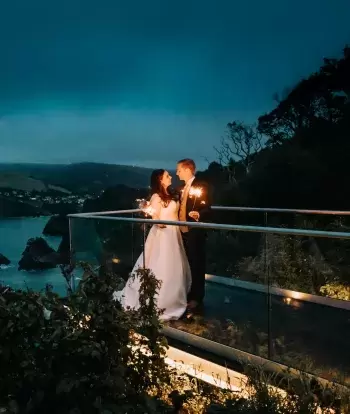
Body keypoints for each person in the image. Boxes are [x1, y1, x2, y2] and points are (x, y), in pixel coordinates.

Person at [114, 169, 191, 321]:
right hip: (162, 235)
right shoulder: (156, 197)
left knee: (174, 265)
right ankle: (161, 301)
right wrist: (159, 222)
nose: (170, 177)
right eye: (167, 176)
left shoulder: (171, 194)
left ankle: (174, 298)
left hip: (174, 234)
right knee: (161, 264)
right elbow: (154, 215)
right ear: (161, 180)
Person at [176, 158, 212, 317]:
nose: (177, 172)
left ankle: (197, 297)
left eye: (179, 169)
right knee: (186, 264)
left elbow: (208, 208)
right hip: (181, 232)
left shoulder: (201, 186)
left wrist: (199, 214)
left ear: (187, 169)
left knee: (197, 263)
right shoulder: (181, 188)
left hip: (195, 231)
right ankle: (187, 293)